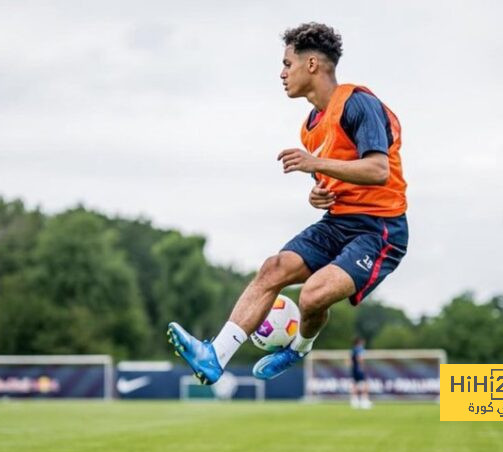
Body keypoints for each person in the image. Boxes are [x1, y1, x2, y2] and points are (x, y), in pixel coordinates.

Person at [167, 22, 408, 385]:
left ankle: (299, 347)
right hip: (338, 220)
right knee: (273, 268)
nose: (282, 74)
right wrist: (317, 192)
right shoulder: (310, 125)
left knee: (312, 296)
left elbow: (377, 170)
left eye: (286, 64)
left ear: (312, 64)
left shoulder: (359, 103)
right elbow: (332, 178)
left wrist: (314, 164)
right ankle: (214, 356)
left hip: (379, 230)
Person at [350, 337, 372, 409]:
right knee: (365, 384)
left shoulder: (353, 349)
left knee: (355, 384)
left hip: (354, 369)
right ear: (359, 342)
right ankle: (364, 401)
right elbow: (359, 358)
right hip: (359, 369)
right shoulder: (359, 349)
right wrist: (362, 366)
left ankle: (354, 401)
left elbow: (350, 361)